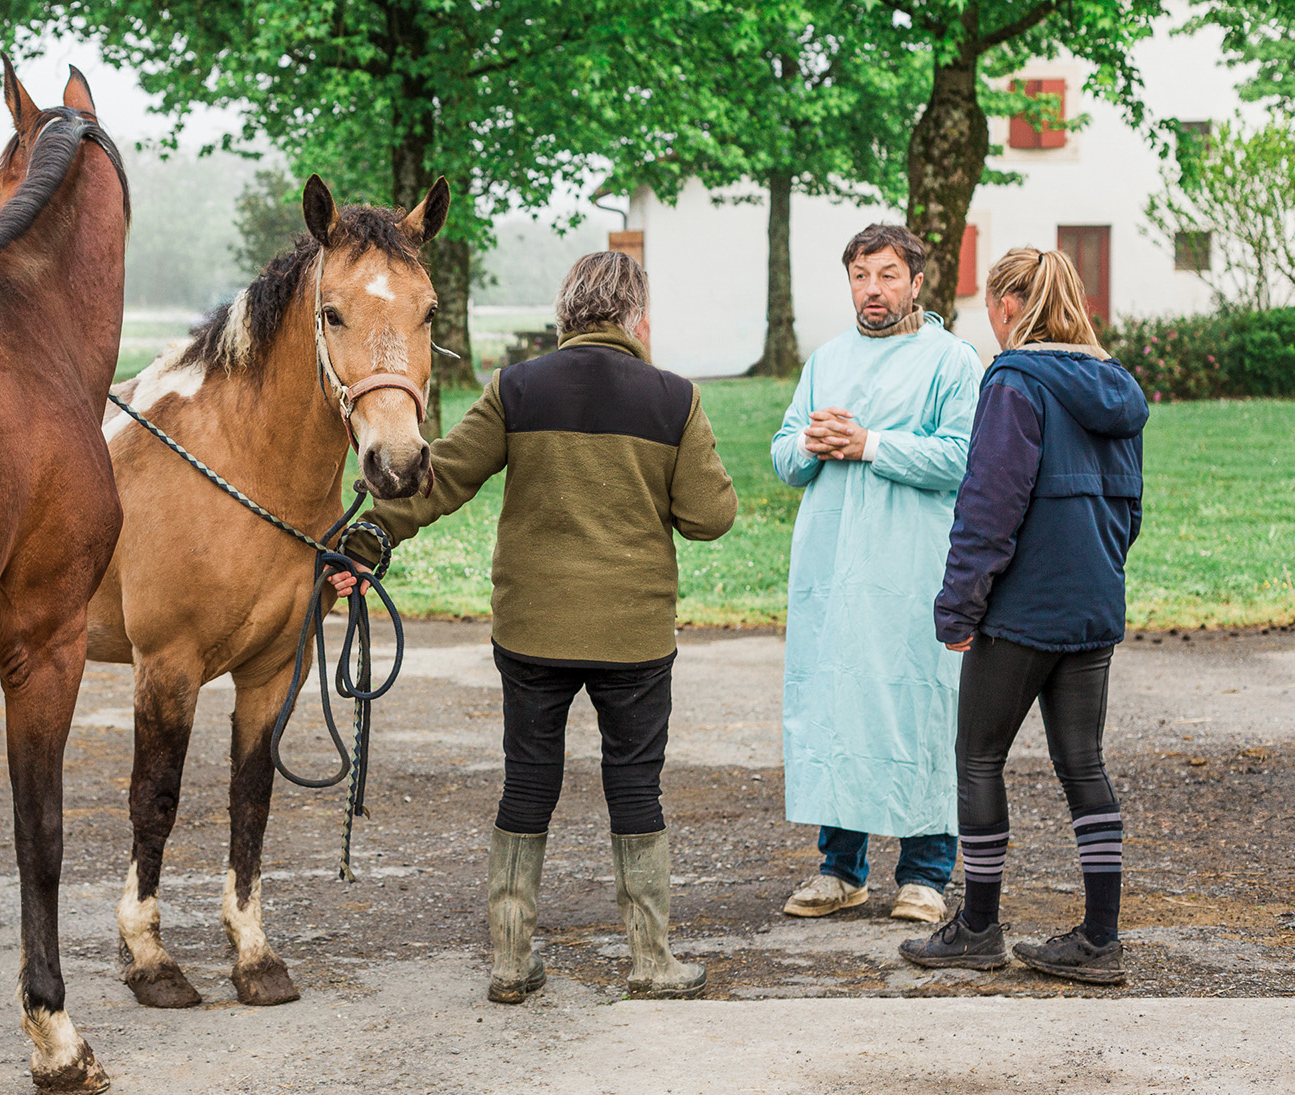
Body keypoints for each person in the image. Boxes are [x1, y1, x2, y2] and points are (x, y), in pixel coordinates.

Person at [331, 250, 736, 1002]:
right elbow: (710, 516)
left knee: (528, 781)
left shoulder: (518, 387)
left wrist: (369, 538)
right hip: (633, 634)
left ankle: (512, 962)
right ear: (635, 317)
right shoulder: (672, 398)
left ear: (566, 313)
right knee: (635, 786)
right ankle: (651, 959)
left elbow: (443, 476)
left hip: (531, 630)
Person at [899, 247, 1147, 984]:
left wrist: (959, 606)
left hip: (1021, 608)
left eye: (990, 305)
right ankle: (1100, 940)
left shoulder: (1013, 381)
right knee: (1084, 764)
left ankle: (977, 927)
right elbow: (1130, 507)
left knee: (978, 758)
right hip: (1093, 602)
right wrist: (1099, 573)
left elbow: (988, 505)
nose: (989, 319)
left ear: (1012, 304)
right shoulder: (1117, 385)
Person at [770, 224, 981, 925]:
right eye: (861, 274)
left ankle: (926, 870)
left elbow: (960, 457)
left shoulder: (952, 360)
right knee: (839, 705)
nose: (872, 289)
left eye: (888, 274)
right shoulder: (826, 360)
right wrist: (809, 440)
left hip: (913, 563)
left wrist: (870, 444)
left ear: (917, 281)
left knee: (918, 703)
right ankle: (841, 867)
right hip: (833, 564)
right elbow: (783, 455)